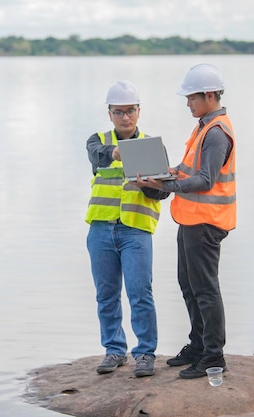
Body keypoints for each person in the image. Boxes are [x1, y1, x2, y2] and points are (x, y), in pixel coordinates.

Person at [136, 63, 236, 379]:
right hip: (192, 220)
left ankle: (213, 356)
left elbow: (205, 180)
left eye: (191, 97)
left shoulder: (216, 133)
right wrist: (164, 173)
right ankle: (197, 345)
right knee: (189, 285)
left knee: (205, 290)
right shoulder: (204, 126)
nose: (187, 103)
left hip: (207, 222)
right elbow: (190, 168)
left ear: (209, 95)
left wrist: (164, 186)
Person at [85, 80, 170, 378]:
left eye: (130, 111)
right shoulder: (98, 141)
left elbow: (163, 192)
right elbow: (97, 155)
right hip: (101, 230)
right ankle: (114, 350)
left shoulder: (152, 146)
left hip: (135, 230)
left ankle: (145, 353)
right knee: (106, 294)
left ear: (138, 111)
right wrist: (117, 153)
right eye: (118, 112)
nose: (125, 117)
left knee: (140, 292)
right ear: (109, 113)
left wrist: (150, 187)